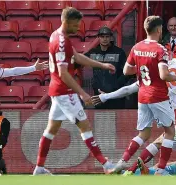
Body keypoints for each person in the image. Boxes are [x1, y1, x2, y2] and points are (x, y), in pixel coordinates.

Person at [33, 7, 116, 175]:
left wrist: (102, 65)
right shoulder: (62, 42)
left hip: (56, 91)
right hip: (65, 91)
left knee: (51, 129)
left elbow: (77, 57)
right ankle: (106, 164)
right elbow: (64, 73)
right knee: (85, 126)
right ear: (67, 22)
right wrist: (82, 93)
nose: (78, 28)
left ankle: (39, 168)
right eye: (76, 25)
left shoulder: (56, 36)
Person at [112, 15, 176, 175]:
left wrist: (142, 68)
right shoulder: (160, 49)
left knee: (144, 133)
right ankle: (160, 169)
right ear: (159, 30)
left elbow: (126, 71)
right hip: (158, 96)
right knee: (170, 132)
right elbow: (164, 75)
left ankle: (121, 162)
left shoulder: (136, 47)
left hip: (142, 96)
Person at [85, 26, 130, 109]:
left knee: (119, 121)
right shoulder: (93, 52)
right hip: (99, 96)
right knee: (99, 121)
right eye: (102, 37)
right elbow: (79, 61)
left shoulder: (119, 52)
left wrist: (114, 88)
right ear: (98, 37)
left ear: (111, 38)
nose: (105, 39)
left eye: (107, 36)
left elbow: (127, 73)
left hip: (116, 96)